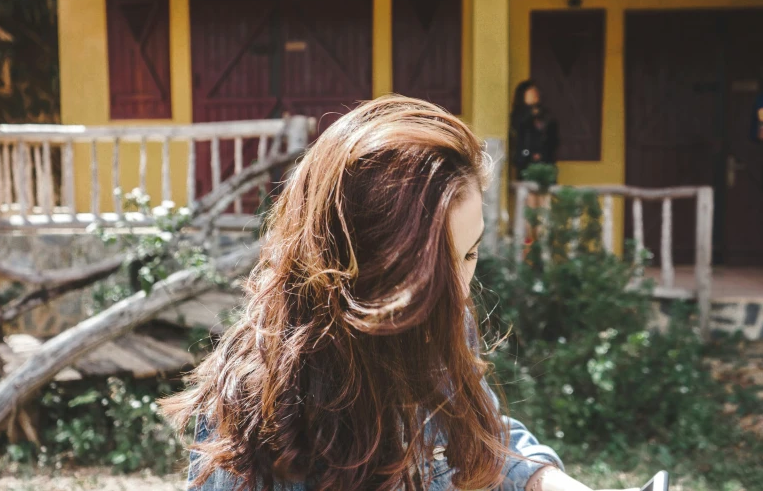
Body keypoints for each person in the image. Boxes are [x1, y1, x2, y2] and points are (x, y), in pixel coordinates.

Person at [161, 96, 634, 491]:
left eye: (469, 256)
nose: (461, 292)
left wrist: (549, 482)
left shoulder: (445, 325)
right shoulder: (255, 413)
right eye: (432, 270)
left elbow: (480, 432)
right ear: (356, 269)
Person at [509, 80, 559, 179]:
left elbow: (553, 139)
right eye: (531, 92)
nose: (535, 94)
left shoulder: (545, 115)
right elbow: (518, 135)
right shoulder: (518, 115)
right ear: (523, 95)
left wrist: (543, 153)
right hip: (525, 162)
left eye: (536, 92)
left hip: (545, 162)